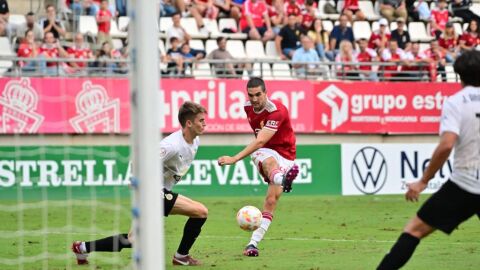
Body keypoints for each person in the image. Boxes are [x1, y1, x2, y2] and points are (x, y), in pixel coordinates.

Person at [377, 50, 480, 270]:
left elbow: (446, 145)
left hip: (465, 184)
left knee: (414, 230)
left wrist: (424, 180)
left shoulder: (457, 102)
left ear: (459, 74)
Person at [72, 101, 209, 266]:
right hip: (151, 191)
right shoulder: (171, 145)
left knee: (134, 240)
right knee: (201, 211)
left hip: (159, 190)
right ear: (189, 123)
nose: (204, 123)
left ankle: (82, 247)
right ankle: (181, 256)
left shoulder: (195, 141)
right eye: (201, 120)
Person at [217, 77, 299, 257]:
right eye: (251, 95)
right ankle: (253, 244)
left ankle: (252, 244)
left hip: (286, 155)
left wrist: (234, 158)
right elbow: (262, 144)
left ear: (266, 93)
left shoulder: (276, 111)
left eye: (258, 95)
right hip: (267, 152)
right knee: (266, 159)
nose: (254, 99)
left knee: (271, 202)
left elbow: (260, 139)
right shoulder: (248, 107)